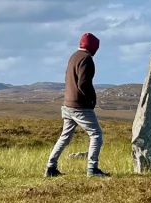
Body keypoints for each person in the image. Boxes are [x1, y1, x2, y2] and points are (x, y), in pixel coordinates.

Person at [45, 33, 109, 178]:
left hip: (67, 104)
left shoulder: (73, 56)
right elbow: (83, 83)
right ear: (93, 47)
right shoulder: (86, 59)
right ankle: (92, 168)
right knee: (96, 134)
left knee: (65, 137)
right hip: (80, 106)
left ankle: (51, 167)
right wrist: (91, 99)